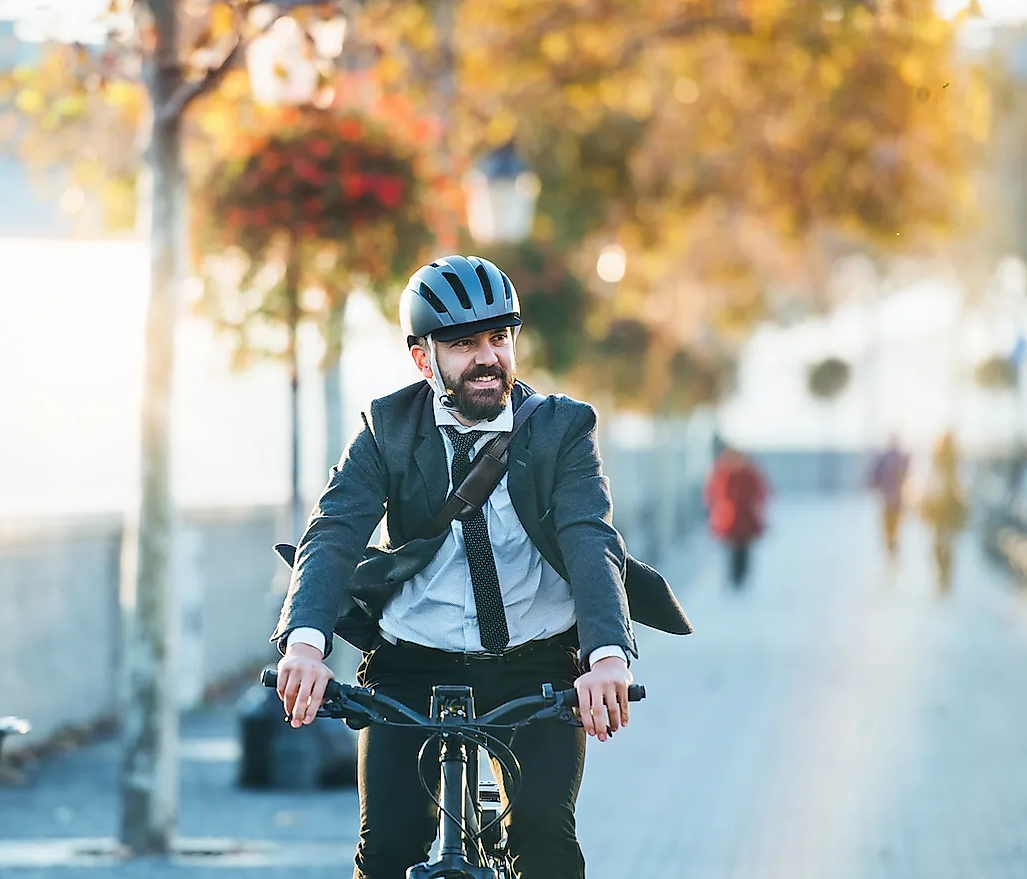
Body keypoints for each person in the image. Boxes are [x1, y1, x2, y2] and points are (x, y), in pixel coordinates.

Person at [270, 255, 687, 879]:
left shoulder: (561, 428)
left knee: (546, 843)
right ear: (423, 358)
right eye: (464, 345)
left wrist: (606, 659)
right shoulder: (388, 429)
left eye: (499, 338)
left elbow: (589, 538)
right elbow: (332, 533)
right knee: (386, 850)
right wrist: (304, 647)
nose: (488, 358)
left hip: (536, 661)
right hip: (411, 661)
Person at [703, 446, 770, 589]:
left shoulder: (748, 475)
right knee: (732, 550)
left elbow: (760, 494)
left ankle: (741, 577)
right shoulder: (723, 474)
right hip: (728, 519)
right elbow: (713, 494)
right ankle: (734, 577)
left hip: (744, 519)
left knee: (743, 550)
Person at [919, 430, 967, 595]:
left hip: (946, 507)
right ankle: (944, 575)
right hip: (943, 507)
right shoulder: (942, 459)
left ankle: (944, 576)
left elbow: (933, 482)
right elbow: (931, 481)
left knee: (943, 544)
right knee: (942, 544)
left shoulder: (953, 460)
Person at [869, 435, 911, 560]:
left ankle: (890, 544)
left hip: (887, 497)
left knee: (888, 523)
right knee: (895, 522)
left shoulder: (884, 457)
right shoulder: (900, 457)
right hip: (896, 497)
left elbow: (875, 476)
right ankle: (892, 543)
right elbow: (906, 473)